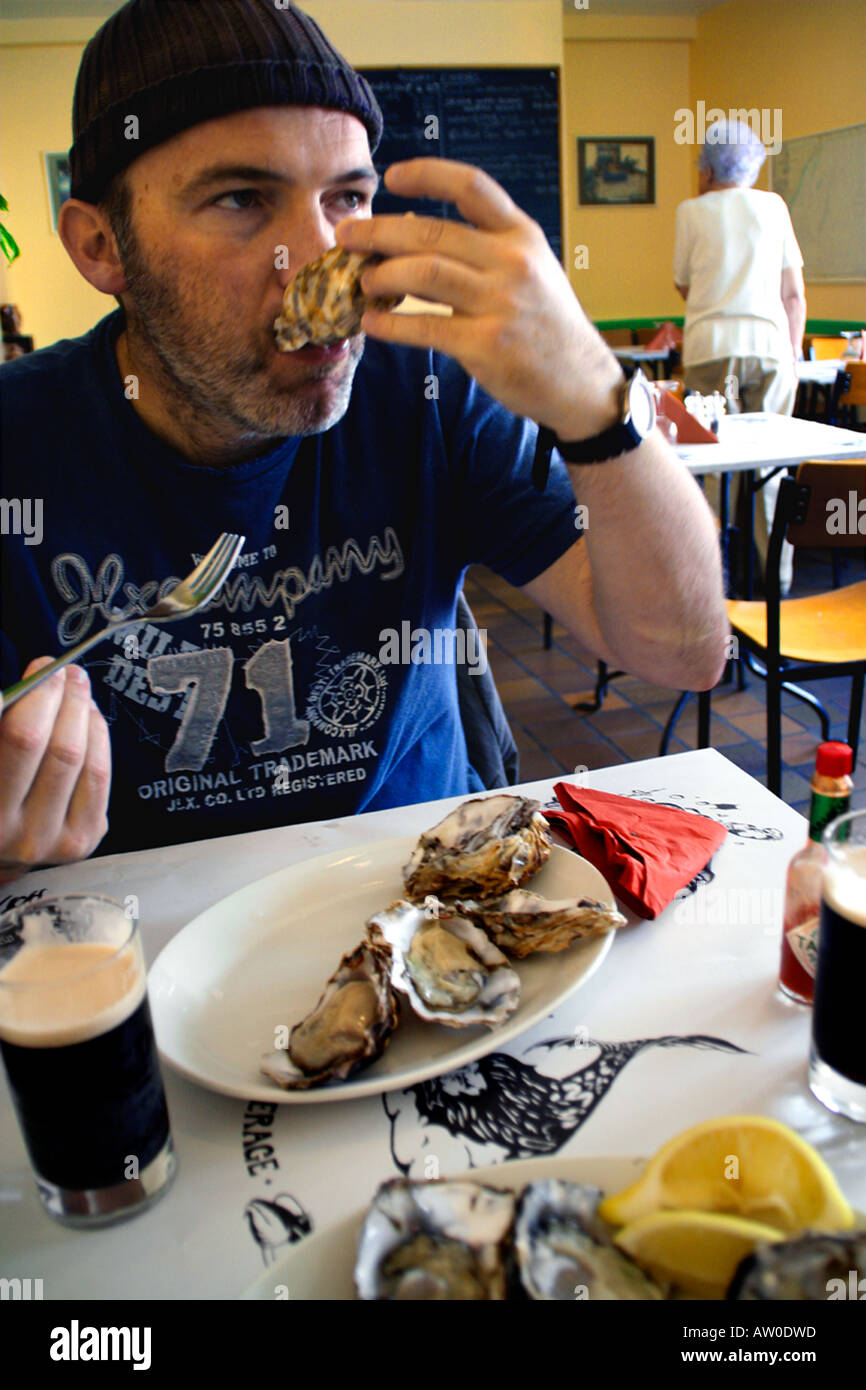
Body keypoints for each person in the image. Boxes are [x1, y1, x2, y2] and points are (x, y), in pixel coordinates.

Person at [0, 0, 727, 884]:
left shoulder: (426, 394)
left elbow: (682, 651)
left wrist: (597, 405)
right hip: (144, 941)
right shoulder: (22, 445)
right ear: (101, 245)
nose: (320, 266)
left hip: (426, 893)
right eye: (241, 199)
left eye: (347, 197)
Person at [673, 117, 807, 589]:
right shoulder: (774, 207)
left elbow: (685, 284)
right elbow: (793, 294)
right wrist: (792, 353)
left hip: (711, 348)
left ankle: (712, 585)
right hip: (771, 348)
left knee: (713, 472)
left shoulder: (691, 211)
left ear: (707, 169)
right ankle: (778, 584)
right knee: (771, 471)